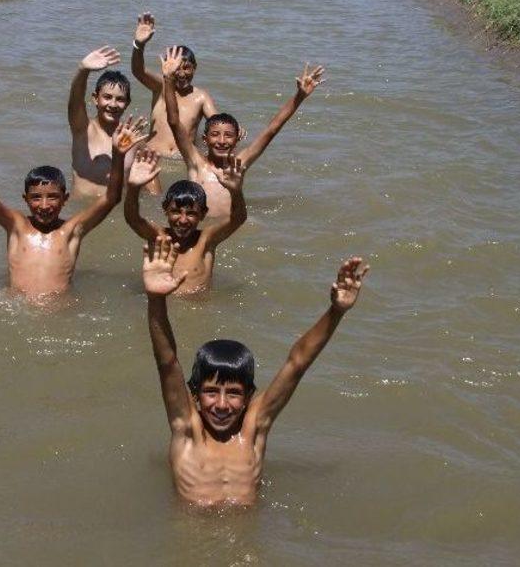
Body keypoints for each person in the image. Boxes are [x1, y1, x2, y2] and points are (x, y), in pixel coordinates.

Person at [143, 236, 369, 506]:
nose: (222, 404)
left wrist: (336, 311)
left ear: (249, 396)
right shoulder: (188, 430)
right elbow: (167, 362)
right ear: (194, 396)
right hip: (191, 536)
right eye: (211, 392)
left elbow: (297, 363)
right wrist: (156, 300)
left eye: (234, 394)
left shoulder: (253, 429)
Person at [0, 108, 147, 300]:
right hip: (17, 309)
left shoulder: (71, 230)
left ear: (65, 199)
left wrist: (118, 155)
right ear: (25, 199)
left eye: (53, 197)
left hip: (58, 311)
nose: (44, 205)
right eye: (36, 198)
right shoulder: (17, 225)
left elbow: (111, 198)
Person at [162, 47, 324, 217]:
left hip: (227, 228)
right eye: (215, 134)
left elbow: (272, 129)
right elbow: (174, 121)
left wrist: (299, 96)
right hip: (199, 228)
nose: (222, 140)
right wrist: (168, 79)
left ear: (237, 139)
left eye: (229, 135)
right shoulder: (195, 162)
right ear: (205, 139)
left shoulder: (239, 164)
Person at [124, 151, 246, 295]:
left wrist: (235, 191)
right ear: (165, 210)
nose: (183, 220)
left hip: (197, 310)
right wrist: (133, 188)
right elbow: (132, 218)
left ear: (203, 214)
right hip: (162, 304)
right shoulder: (158, 236)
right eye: (176, 212)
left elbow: (238, 218)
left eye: (191, 214)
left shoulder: (205, 240)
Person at [130, 13, 218, 194]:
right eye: (177, 67)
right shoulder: (160, 86)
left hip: (182, 160)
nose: (181, 73)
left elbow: (216, 121)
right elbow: (138, 71)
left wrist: (234, 129)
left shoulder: (200, 97)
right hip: (153, 155)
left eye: (186, 67)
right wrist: (139, 45)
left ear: (195, 68)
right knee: (155, 199)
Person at [68, 44, 142, 198]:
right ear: (95, 98)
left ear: (127, 103)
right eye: (107, 97)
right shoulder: (83, 129)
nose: (113, 104)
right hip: (81, 214)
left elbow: (149, 182)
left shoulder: (133, 139)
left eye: (120, 99)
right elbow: (76, 101)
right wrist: (83, 70)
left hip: (115, 212)